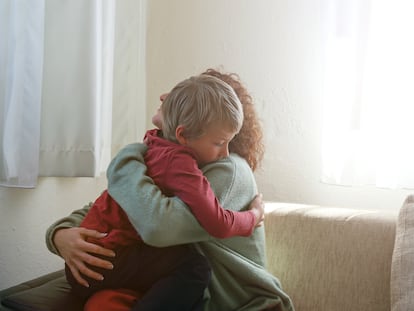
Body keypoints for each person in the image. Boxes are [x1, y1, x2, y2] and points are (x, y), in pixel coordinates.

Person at [46, 69, 295, 311]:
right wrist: (60, 235)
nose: (163, 97)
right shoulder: (172, 160)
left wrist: (127, 158)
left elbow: (159, 228)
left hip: (242, 303)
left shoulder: (229, 170)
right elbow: (112, 207)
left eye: (177, 100)